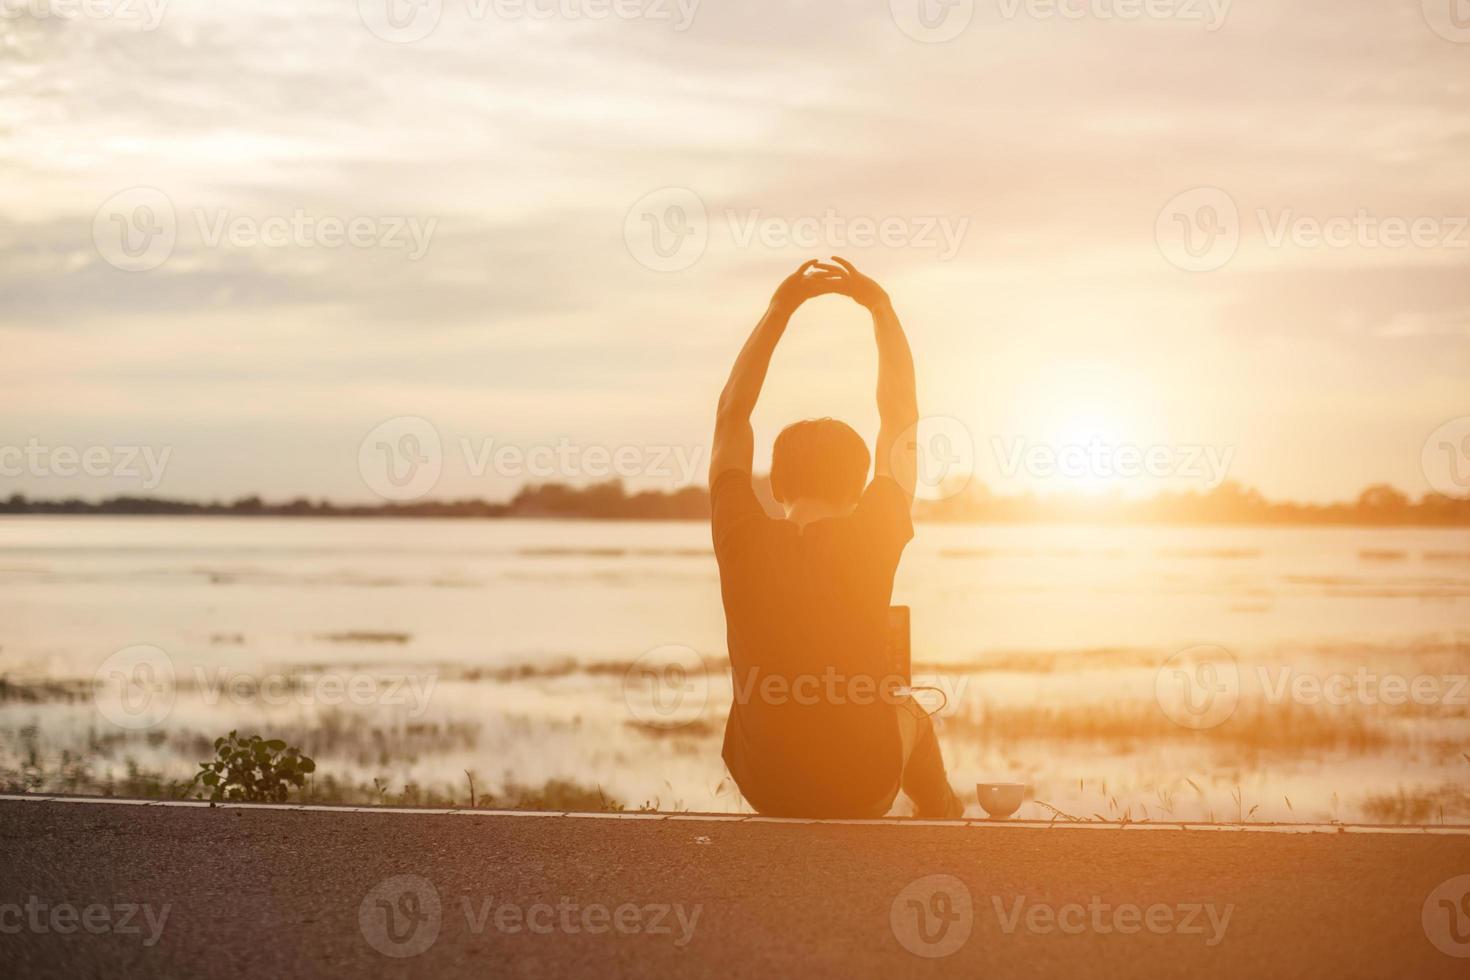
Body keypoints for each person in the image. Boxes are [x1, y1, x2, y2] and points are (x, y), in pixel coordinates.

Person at [709, 257, 963, 819]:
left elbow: (732, 414)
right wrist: (881, 309)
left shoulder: (738, 534)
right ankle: (946, 820)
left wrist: (780, 310)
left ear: (775, 483)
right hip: (859, 790)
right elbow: (900, 413)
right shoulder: (874, 530)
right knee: (912, 715)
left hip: (765, 788)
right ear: (857, 488)